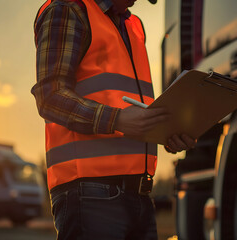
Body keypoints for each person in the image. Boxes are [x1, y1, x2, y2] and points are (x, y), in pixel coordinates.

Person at [32, 0, 196, 239]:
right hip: (89, 194)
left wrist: (165, 132)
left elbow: (130, 107)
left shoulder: (134, 27)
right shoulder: (68, 8)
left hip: (139, 195)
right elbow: (50, 96)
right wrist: (117, 120)